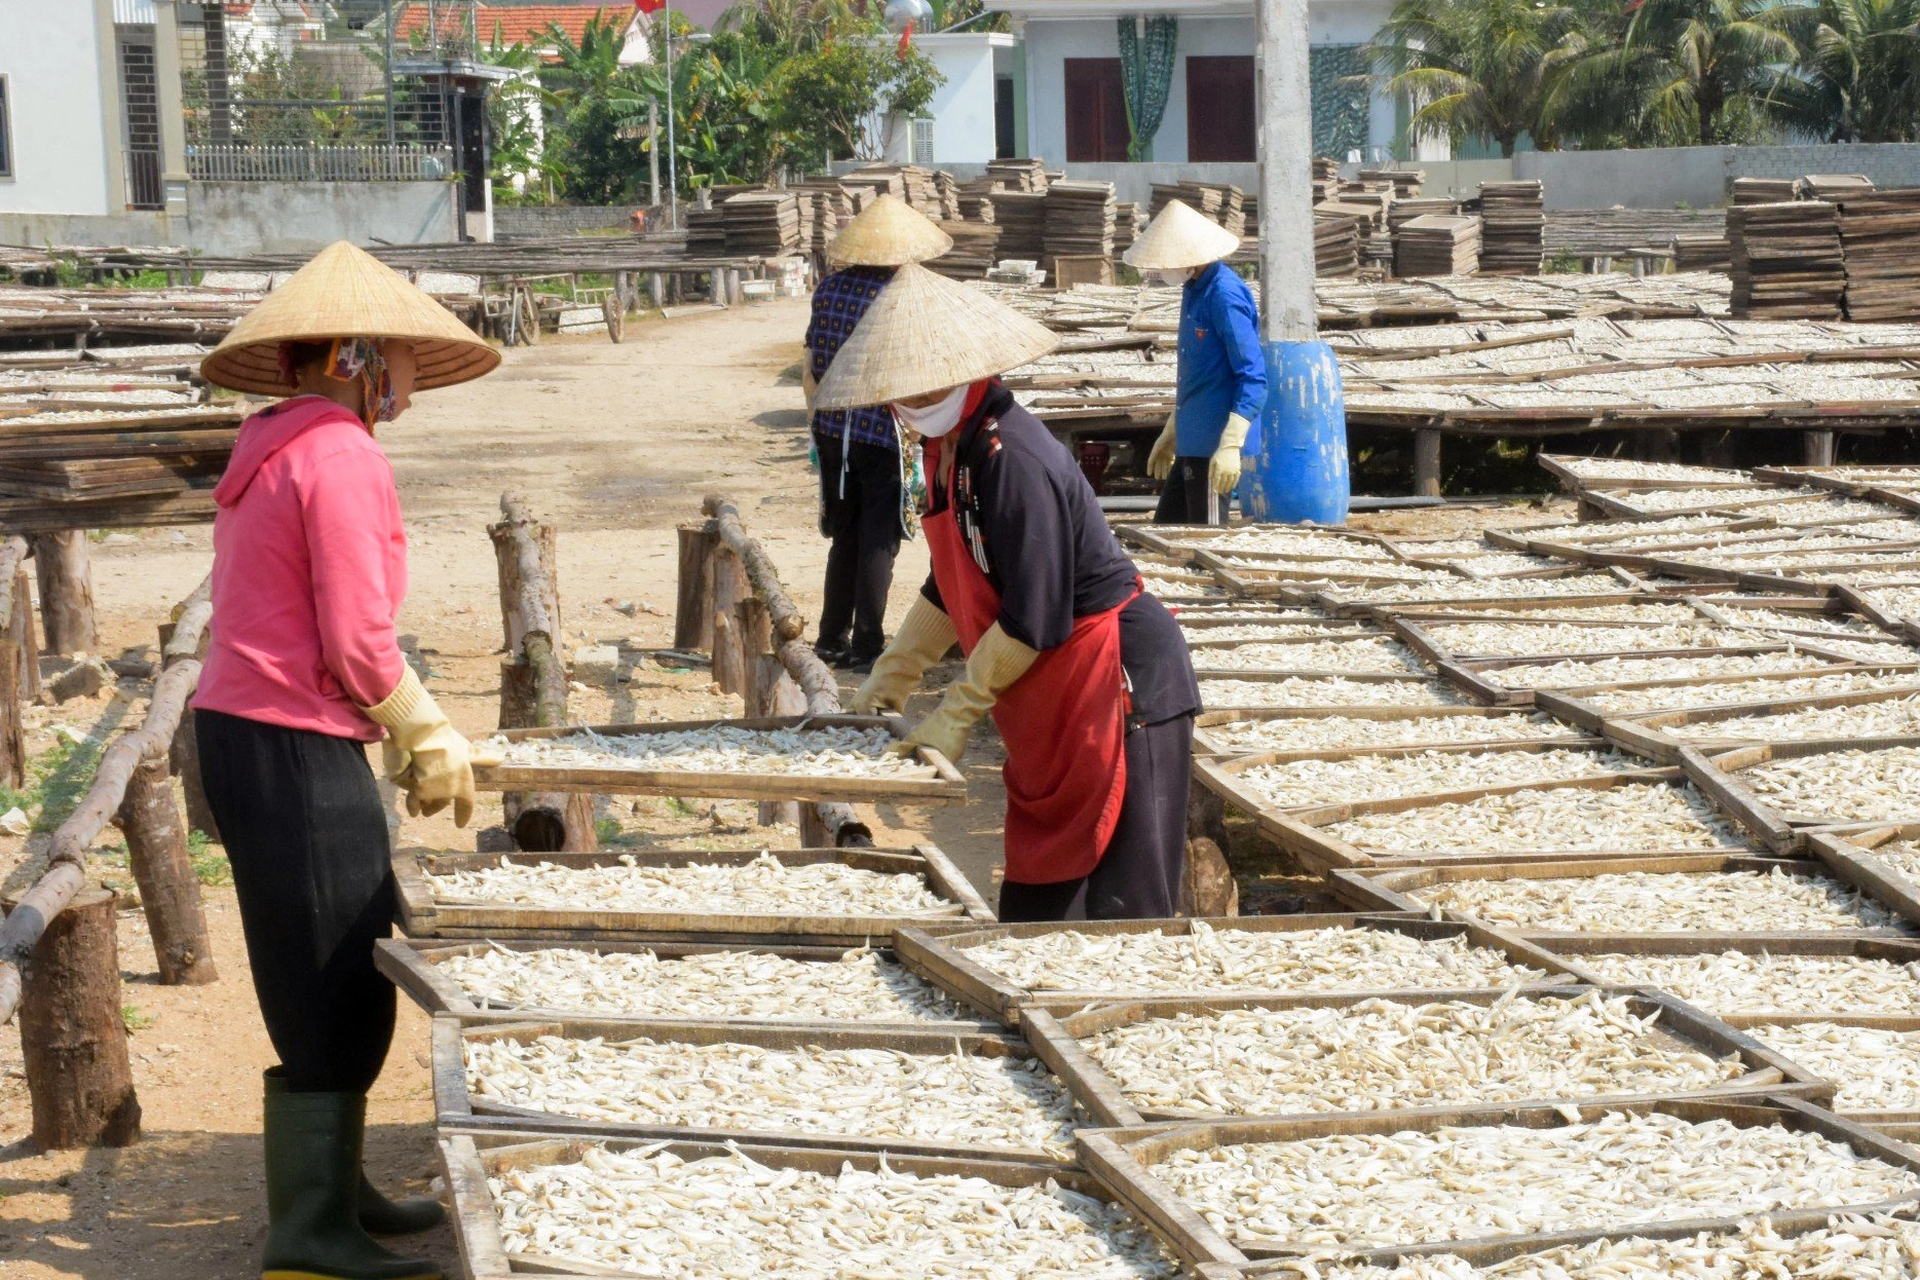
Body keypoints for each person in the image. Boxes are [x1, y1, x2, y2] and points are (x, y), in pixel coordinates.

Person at [194, 240, 502, 1280]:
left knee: (308, 952)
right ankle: (310, 1231)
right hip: (295, 737)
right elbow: (357, 638)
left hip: (243, 732)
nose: (412, 378)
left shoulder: (275, 438)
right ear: (358, 354)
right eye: (404, 357)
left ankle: (334, 1184)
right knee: (339, 964)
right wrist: (423, 724)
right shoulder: (341, 454)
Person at [826, 264, 1201, 921]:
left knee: (1127, 908)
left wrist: (960, 709)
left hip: (1118, 683)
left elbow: (1036, 615)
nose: (907, 400)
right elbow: (954, 576)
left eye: (920, 384)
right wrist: (897, 670)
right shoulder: (950, 450)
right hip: (1053, 700)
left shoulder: (1011, 460)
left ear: (961, 369)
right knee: (1036, 904)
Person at [802, 194, 952, 671]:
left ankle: (830, 637)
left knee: (844, 536)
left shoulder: (828, 290)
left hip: (832, 430)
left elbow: (811, 366)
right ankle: (868, 643)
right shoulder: (899, 296)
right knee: (878, 540)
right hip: (882, 432)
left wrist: (815, 424)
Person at [1125, 199, 1267, 525]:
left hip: (1214, 445)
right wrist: (1172, 431)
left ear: (1190, 257)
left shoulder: (1224, 295)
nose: (1162, 270)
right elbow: (1197, 372)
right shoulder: (1193, 289)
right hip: (1193, 437)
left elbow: (1254, 378)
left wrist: (1230, 445)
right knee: (1166, 531)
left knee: (1206, 540)